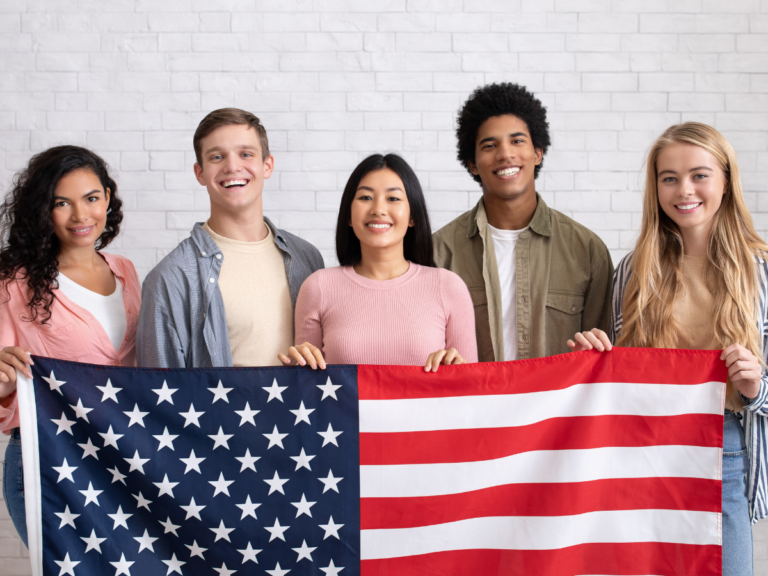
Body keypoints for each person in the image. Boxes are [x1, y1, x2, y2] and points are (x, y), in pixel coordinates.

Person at [568, 122, 768, 575]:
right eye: (669, 178)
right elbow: (622, 386)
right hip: (644, 453)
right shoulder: (634, 272)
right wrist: (596, 360)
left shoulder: (761, 272)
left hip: (725, 449)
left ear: (726, 181)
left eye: (699, 175)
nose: (685, 190)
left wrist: (757, 385)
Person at [0, 146, 141, 546]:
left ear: (107, 199)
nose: (81, 216)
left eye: (91, 199)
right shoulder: (14, 282)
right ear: (43, 210)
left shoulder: (125, 271)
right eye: (62, 203)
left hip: (117, 458)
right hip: (48, 455)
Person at [433, 82, 613, 362]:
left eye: (517, 141)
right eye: (490, 145)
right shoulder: (439, 253)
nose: (505, 154)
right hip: (474, 403)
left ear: (537, 152)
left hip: (559, 406)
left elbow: (605, 358)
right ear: (472, 163)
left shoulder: (588, 251)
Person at [137, 108, 323, 368]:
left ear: (267, 165)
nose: (233, 166)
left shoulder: (308, 257)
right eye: (216, 157)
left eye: (246, 154)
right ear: (199, 173)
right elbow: (161, 392)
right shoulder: (170, 278)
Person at [279, 153, 477, 371]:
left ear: (413, 216)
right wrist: (296, 369)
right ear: (348, 215)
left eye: (393, 199)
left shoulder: (448, 287)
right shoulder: (318, 286)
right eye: (365, 198)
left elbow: (469, 391)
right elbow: (309, 386)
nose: (378, 210)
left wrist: (458, 369)